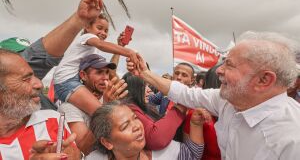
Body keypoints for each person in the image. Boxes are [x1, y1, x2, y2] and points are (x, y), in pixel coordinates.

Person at [127, 31, 300, 159]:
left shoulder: (291, 139)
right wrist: (145, 73)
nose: (219, 71)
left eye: (229, 65)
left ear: (263, 80)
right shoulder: (226, 100)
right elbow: (185, 94)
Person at [0, 0, 104, 110]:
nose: (39, 84)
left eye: (31, 72)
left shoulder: (43, 104)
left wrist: (80, 19)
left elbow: (42, 57)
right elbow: (40, 56)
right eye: (19, 59)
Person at [0, 49, 80, 159]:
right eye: (26, 79)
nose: (39, 84)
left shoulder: (53, 120)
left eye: (34, 76)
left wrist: (74, 155)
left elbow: (74, 154)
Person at [53, 13, 137, 116]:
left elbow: (110, 72)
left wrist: (120, 45)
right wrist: (128, 52)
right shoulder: (86, 37)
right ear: (87, 27)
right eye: (99, 28)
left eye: (106, 30)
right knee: (103, 114)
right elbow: (101, 45)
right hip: (67, 81)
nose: (103, 33)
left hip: (71, 81)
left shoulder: (93, 50)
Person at [86, 100, 206, 160]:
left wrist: (195, 124)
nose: (137, 126)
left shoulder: (167, 153)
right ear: (107, 142)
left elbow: (193, 155)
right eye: (125, 126)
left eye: (135, 118)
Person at [58, 54, 128, 155]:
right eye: (99, 72)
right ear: (83, 75)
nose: (105, 78)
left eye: (107, 72)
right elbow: (84, 148)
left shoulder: (110, 98)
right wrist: (105, 110)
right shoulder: (68, 108)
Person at [122, 72, 187, 150]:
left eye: (184, 75)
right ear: (134, 89)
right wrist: (178, 109)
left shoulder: (145, 106)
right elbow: (157, 139)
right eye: (144, 86)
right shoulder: (130, 109)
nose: (149, 90)